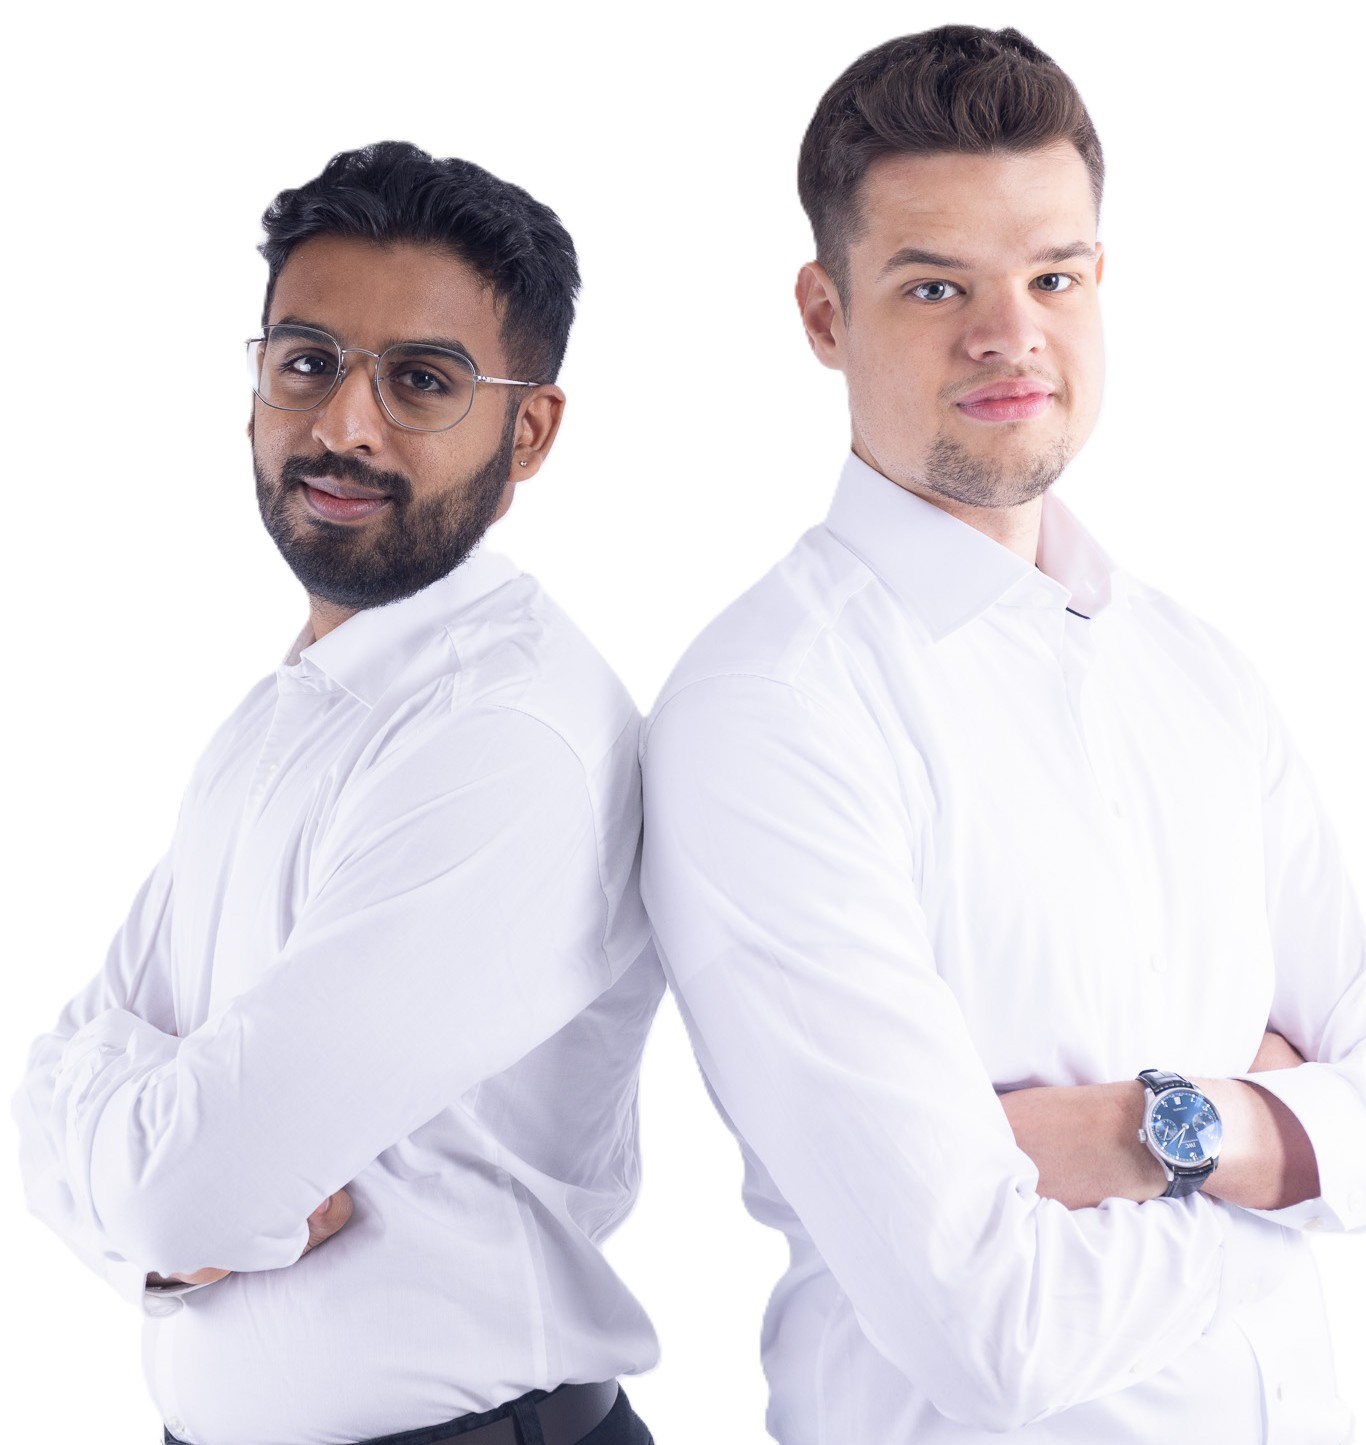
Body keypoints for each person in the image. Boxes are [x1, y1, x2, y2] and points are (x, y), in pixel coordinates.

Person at [641, 26, 1364, 1444]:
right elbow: (994, 1327)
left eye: (1052, 277)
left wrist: (1145, 1135)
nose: (1008, 334)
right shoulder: (768, 713)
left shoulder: (1197, 672)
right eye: (934, 286)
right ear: (823, 314)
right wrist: (1296, 1163)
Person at [14, 141, 659, 1445]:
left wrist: (162, 1176)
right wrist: (150, 1192)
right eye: (307, 361)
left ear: (527, 431)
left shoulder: (507, 737)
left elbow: (193, 1190)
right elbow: (47, 1090)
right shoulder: (289, 710)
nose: (343, 426)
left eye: (421, 381)